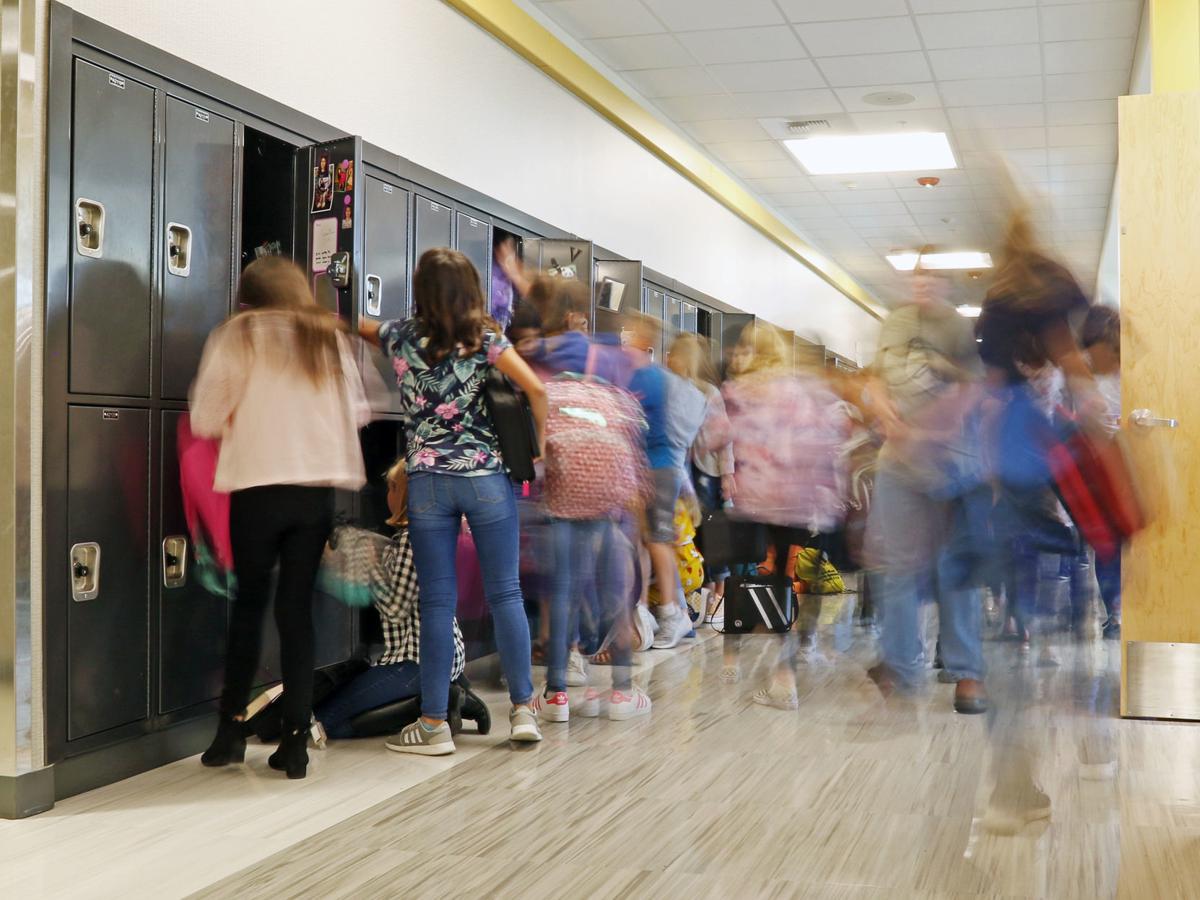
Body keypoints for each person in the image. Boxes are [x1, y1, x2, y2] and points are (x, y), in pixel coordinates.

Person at [191, 256, 379, 779]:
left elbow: (205, 415)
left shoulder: (237, 335)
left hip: (257, 488)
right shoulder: (327, 336)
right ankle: (295, 742)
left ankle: (229, 732)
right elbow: (359, 412)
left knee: (250, 606)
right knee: (296, 613)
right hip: (314, 494)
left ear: (248, 296)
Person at [361, 247, 548, 754]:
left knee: (435, 604)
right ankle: (524, 712)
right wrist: (541, 451)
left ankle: (433, 725)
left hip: (426, 482)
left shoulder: (399, 335)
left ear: (421, 290)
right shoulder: (486, 339)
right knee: (506, 593)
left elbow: (354, 322)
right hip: (485, 477)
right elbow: (536, 391)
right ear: (470, 289)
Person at [865, 268, 989, 716]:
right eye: (917, 280)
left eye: (933, 280)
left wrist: (926, 432)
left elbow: (970, 394)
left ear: (946, 286)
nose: (923, 288)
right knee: (896, 566)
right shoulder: (896, 321)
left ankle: (965, 671)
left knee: (955, 569)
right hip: (898, 465)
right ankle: (900, 667)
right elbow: (876, 380)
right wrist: (889, 420)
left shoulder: (958, 327)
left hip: (953, 463)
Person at [721, 322, 848, 708]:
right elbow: (824, 441)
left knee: (742, 576)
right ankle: (785, 673)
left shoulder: (738, 393)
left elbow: (713, 436)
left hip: (756, 500)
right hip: (799, 502)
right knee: (790, 581)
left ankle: (744, 662)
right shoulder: (797, 392)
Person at [312, 462, 466, 742]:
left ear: (405, 493)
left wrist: (370, 567)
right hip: (430, 658)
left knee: (325, 721)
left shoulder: (412, 538)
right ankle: (441, 699)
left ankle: (429, 705)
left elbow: (396, 608)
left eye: (392, 489)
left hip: (414, 662)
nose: (388, 496)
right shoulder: (423, 535)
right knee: (334, 716)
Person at [623, 312, 706, 650]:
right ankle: (643, 610)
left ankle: (672, 613)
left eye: (630, 336)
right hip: (656, 470)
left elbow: (639, 427)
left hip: (656, 469)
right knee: (644, 541)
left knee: (656, 540)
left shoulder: (648, 380)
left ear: (643, 341)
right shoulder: (651, 378)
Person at [668, 333, 734, 624]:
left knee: (712, 534)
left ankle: (717, 597)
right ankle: (706, 595)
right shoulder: (674, 388)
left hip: (707, 472)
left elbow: (724, 438)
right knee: (693, 536)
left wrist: (728, 475)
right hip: (686, 471)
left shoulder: (708, 392)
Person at [1081, 304, 1122, 640]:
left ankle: (1121, 610)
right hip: (1100, 467)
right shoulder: (1085, 375)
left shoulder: (1131, 369)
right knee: (1106, 546)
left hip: (1127, 462)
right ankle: (1114, 612)